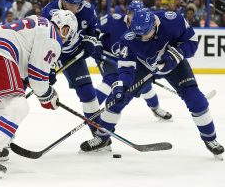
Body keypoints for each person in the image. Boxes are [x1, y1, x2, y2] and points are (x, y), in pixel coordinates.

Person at [80, 9, 224, 160]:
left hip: (174, 64)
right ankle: (102, 137)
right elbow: (126, 68)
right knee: (115, 99)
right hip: (143, 67)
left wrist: (176, 54)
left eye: (145, 34)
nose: (141, 38)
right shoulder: (128, 38)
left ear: (155, 24)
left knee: (196, 100)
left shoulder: (173, 20)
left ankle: (210, 139)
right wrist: (121, 84)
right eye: (138, 34)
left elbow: (192, 42)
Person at [0, 10, 78, 178]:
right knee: (19, 106)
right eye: (66, 31)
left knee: (0, 105)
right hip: (0, 56)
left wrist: (38, 81)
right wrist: (49, 96)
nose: (65, 36)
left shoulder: (39, 21)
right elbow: (37, 80)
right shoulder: (53, 38)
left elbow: (24, 55)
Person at [95, 0, 172, 122]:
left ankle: (156, 109)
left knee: (145, 86)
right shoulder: (114, 20)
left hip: (128, 61)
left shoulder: (144, 28)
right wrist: (96, 43)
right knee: (111, 80)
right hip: (109, 57)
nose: (134, 17)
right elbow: (95, 28)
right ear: (127, 13)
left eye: (137, 14)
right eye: (132, 14)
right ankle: (91, 111)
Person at [41, 0, 103, 137]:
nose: (74, 8)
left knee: (88, 93)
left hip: (74, 55)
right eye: (70, 4)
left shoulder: (87, 9)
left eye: (77, 4)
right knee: (24, 89)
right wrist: (48, 67)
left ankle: (99, 136)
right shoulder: (48, 12)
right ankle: (4, 136)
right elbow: (42, 42)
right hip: (51, 54)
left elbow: (93, 30)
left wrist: (90, 41)